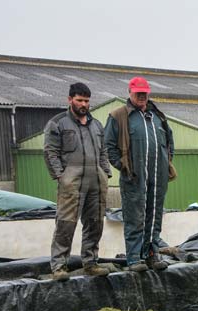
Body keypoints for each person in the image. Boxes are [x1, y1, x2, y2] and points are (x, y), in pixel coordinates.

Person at [104, 76, 175, 272]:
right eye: (138, 93)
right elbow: (109, 146)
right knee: (135, 217)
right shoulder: (119, 116)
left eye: (144, 93)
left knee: (154, 216)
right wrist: (123, 166)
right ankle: (134, 258)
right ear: (130, 93)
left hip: (157, 177)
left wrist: (166, 163)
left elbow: (169, 142)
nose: (142, 96)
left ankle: (152, 254)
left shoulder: (157, 116)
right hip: (134, 178)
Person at [43, 82, 111, 280]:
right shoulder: (58, 123)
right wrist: (60, 176)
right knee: (66, 224)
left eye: (87, 101)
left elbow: (103, 151)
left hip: (96, 181)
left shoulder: (96, 125)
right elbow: (50, 152)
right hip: (71, 181)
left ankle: (90, 262)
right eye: (80, 100)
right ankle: (59, 266)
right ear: (70, 99)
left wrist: (105, 172)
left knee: (95, 222)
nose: (83, 104)